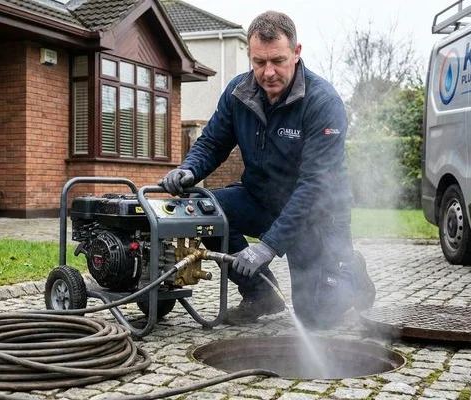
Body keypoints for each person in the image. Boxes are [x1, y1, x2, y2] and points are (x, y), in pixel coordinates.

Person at [158, 11, 375, 328]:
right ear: (250, 55)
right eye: (259, 62)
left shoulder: (323, 102)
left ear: (297, 53)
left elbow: (314, 186)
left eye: (278, 60)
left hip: (317, 217)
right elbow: (212, 142)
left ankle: (351, 274)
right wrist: (189, 169)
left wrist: (268, 246)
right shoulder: (238, 93)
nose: (268, 72)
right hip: (261, 200)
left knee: (315, 316)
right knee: (205, 209)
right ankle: (260, 293)